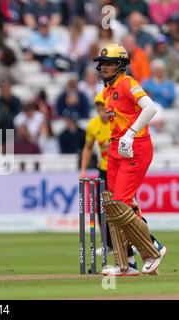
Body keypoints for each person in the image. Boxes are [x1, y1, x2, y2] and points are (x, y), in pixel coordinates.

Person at [93, 43, 167, 276]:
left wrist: (131, 133)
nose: (105, 67)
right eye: (103, 63)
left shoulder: (128, 83)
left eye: (110, 63)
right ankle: (127, 263)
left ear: (121, 64)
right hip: (117, 149)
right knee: (117, 206)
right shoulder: (106, 91)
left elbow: (150, 108)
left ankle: (153, 248)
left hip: (135, 147)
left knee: (121, 203)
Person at [79, 92, 113, 254]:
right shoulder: (93, 125)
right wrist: (83, 169)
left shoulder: (116, 122)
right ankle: (107, 244)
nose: (102, 111)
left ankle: (129, 244)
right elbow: (87, 148)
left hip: (119, 169)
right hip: (104, 169)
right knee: (101, 207)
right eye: (99, 108)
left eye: (104, 107)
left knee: (122, 206)